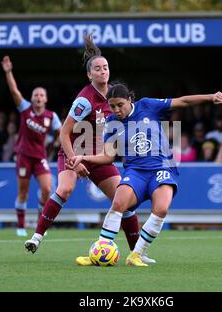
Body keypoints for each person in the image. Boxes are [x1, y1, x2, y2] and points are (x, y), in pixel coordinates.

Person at [25, 35, 155, 265]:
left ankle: (137, 253)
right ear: (89, 75)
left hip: (98, 156)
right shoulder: (84, 100)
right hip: (73, 151)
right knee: (64, 190)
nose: (103, 71)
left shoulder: (114, 96)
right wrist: (76, 161)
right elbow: (64, 133)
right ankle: (36, 237)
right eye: (97, 68)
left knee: (124, 200)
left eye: (105, 67)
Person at [68, 83, 222, 266]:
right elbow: (108, 157)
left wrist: (210, 96)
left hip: (161, 169)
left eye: (120, 105)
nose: (116, 110)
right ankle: (98, 253)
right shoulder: (111, 123)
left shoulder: (148, 105)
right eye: (112, 106)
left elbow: (182, 102)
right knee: (119, 202)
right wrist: (83, 158)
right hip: (135, 172)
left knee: (161, 208)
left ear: (129, 100)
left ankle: (136, 254)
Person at [1, 55, 62, 237]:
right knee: (23, 192)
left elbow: (62, 131)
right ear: (32, 98)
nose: (38, 97)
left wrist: (56, 143)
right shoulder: (25, 109)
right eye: (36, 95)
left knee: (46, 189)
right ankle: (20, 226)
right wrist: (9, 72)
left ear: (46, 99)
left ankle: (39, 223)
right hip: (23, 156)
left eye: (41, 95)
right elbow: (14, 91)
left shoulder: (52, 116)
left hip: (40, 157)